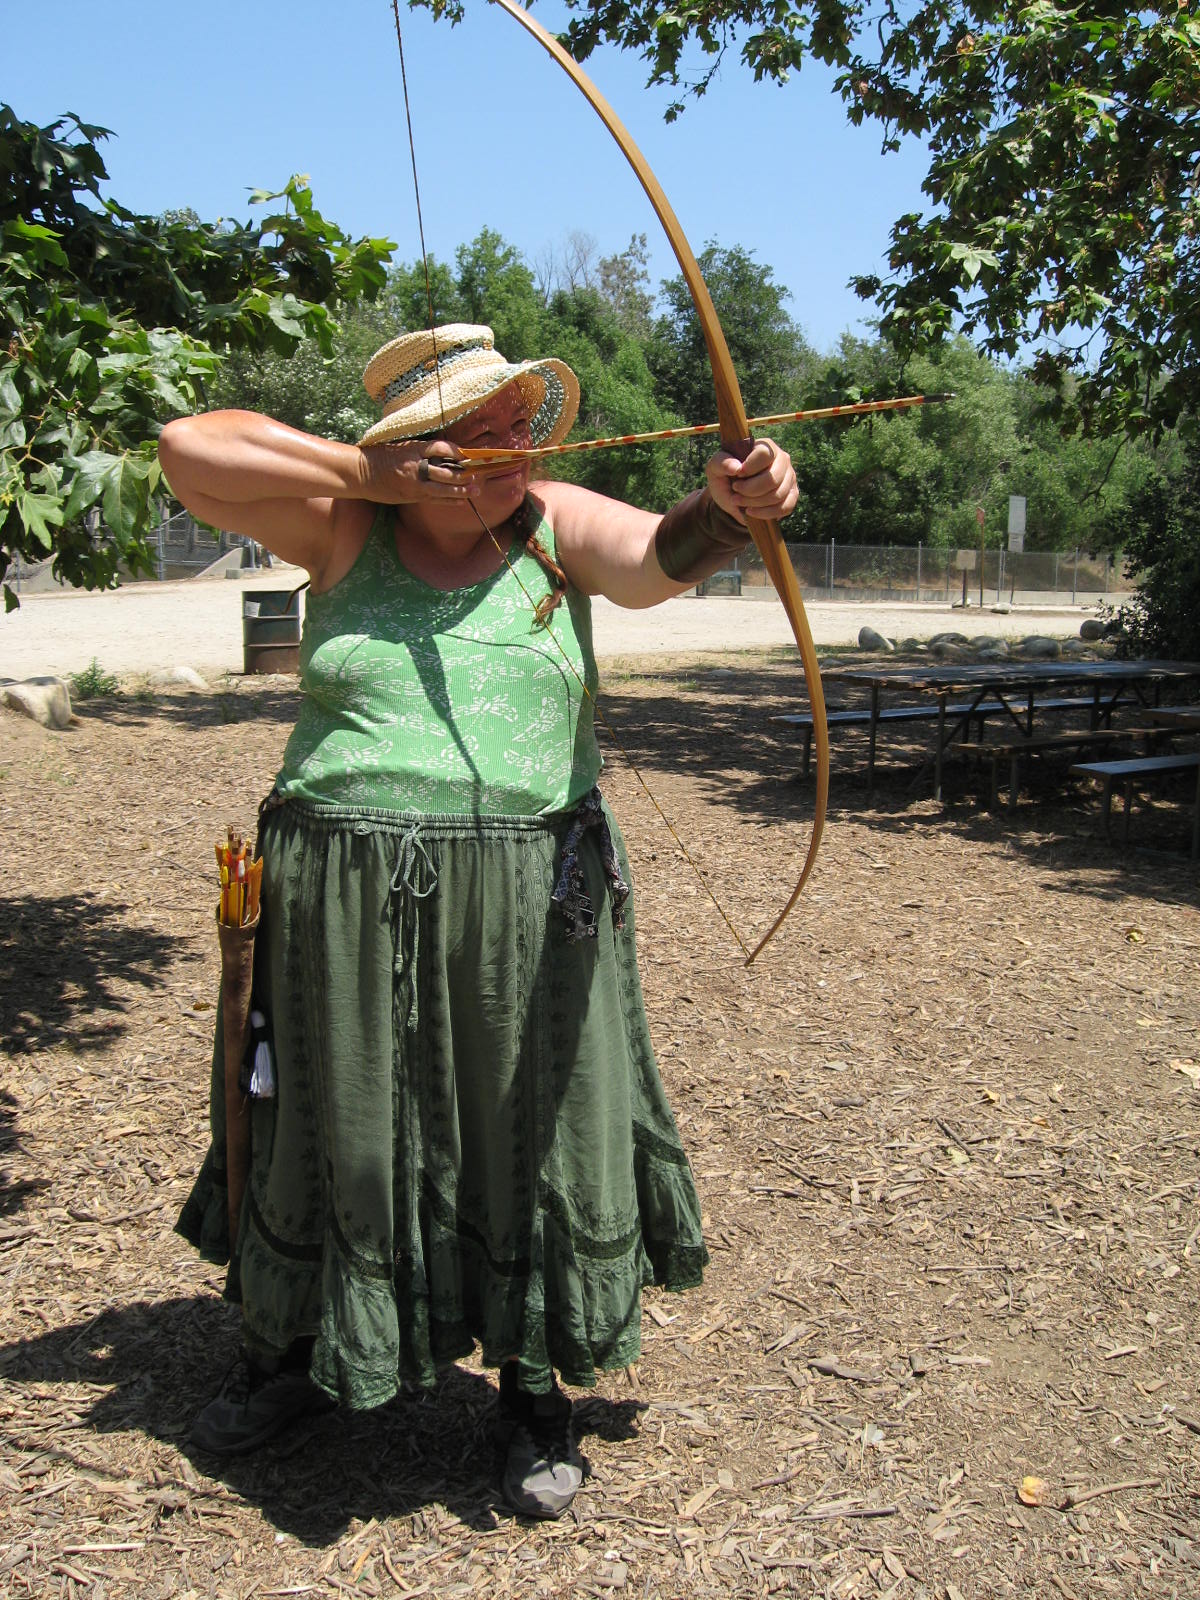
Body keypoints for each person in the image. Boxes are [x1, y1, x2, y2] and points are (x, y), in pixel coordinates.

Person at [160, 323, 799, 1518]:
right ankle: (296, 1348)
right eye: (484, 428)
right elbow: (186, 448)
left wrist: (732, 506)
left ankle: (534, 1389)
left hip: (526, 904)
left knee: (528, 1140)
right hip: (341, 902)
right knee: (337, 1129)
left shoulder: (554, 523)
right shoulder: (343, 526)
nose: (518, 443)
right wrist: (365, 473)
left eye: (520, 421)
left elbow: (656, 557)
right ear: (417, 448)